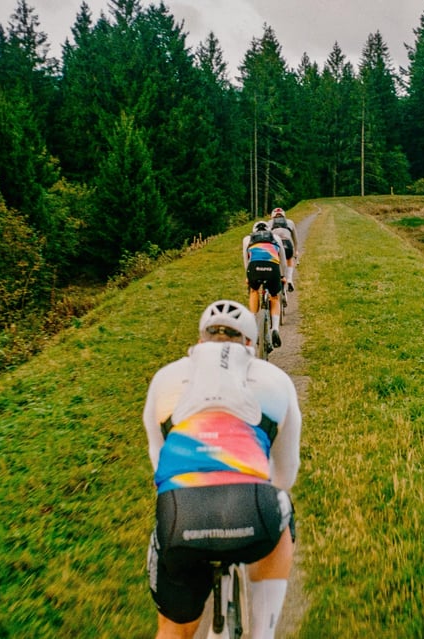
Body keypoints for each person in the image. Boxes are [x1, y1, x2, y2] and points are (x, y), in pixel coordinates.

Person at [143, 300, 302, 639]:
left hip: (181, 517)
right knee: (283, 510)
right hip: (253, 512)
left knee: (172, 629)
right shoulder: (275, 378)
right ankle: (263, 631)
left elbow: (159, 463)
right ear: (250, 344)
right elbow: (286, 473)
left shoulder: (165, 378)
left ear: (199, 343)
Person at [243, 220, 285, 349]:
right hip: (272, 269)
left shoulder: (247, 239)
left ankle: (254, 324)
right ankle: (275, 329)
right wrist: (282, 276)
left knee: (254, 291)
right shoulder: (275, 237)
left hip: (254, 268)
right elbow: (282, 259)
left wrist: (248, 277)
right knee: (274, 297)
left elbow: (246, 259)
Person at [269, 208, 298, 293]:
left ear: (272, 216)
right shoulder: (290, 222)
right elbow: (295, 240)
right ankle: (289, 279)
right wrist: (296, 251)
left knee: (275, 261)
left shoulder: (269, 223)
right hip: (287, 244)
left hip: (275, 245)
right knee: (289, 259)